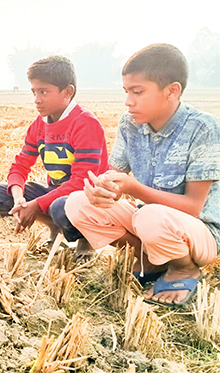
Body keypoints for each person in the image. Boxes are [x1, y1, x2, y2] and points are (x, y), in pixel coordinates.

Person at [63, 44, 220, 307]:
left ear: (172, 91)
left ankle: (183, 268)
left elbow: (193, 207)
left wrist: (133, 189)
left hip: (199, 233)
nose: (128, 102)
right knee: (77, 202)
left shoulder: (202, 128)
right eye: (127, 92)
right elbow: (115, 175)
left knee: (150, 215)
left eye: (138, 92)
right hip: (151, 223)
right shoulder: (129, 123)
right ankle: (150, 260)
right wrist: (102, 189)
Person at [0, 55, 109, 259]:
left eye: (44, 92)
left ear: (68, 92)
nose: (37, 100)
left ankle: (87, 239)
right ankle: (55, 227)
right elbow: (20, 166)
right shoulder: (39, 124)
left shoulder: (85, 123)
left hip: (87, 198)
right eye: (34, 92)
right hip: (56, 192)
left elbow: (81, 182)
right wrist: (19, 199)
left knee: (61, 206)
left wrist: (37, 205)